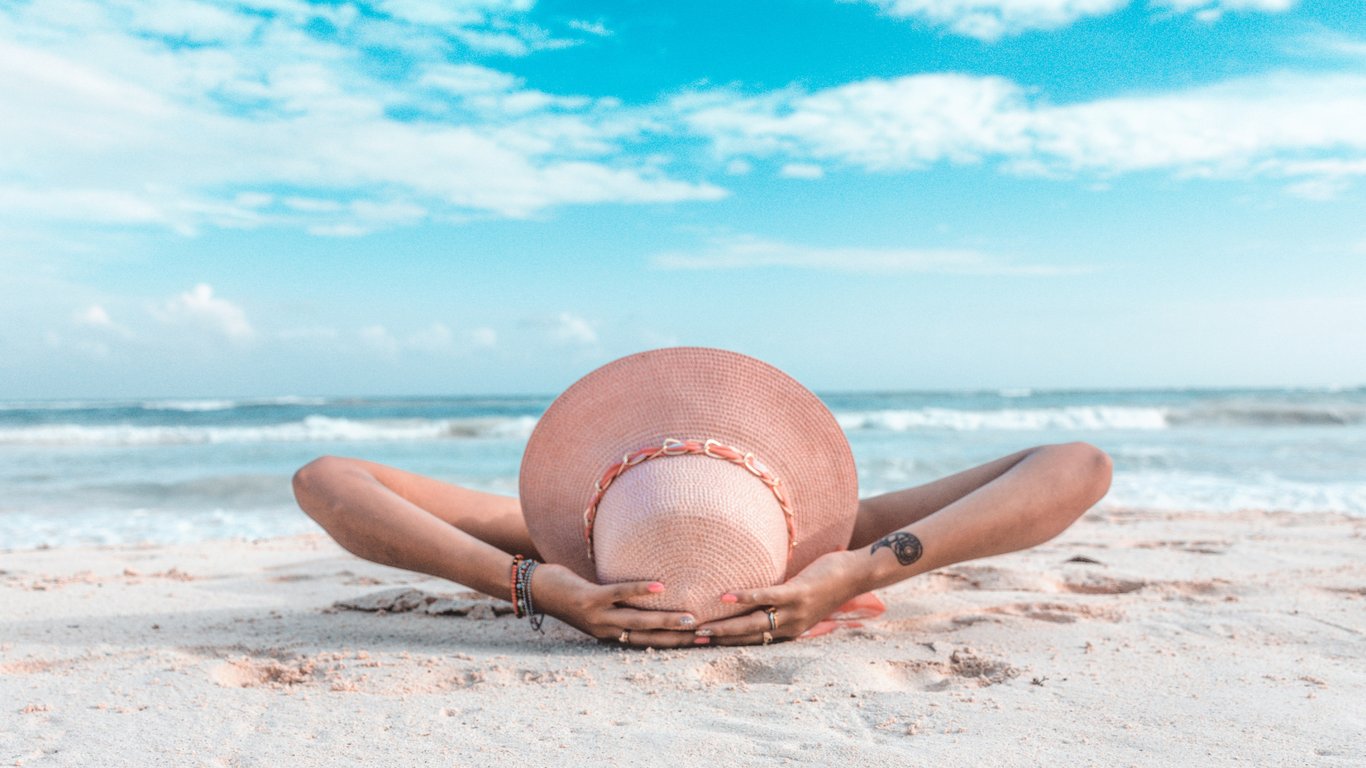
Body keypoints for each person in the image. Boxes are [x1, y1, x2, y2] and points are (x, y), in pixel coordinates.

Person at [293, 347, 1112, 648]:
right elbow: (325, 481)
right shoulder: (834, 538)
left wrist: (534, 582)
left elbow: (1078, 466)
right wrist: (855, 571)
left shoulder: (561, 545)